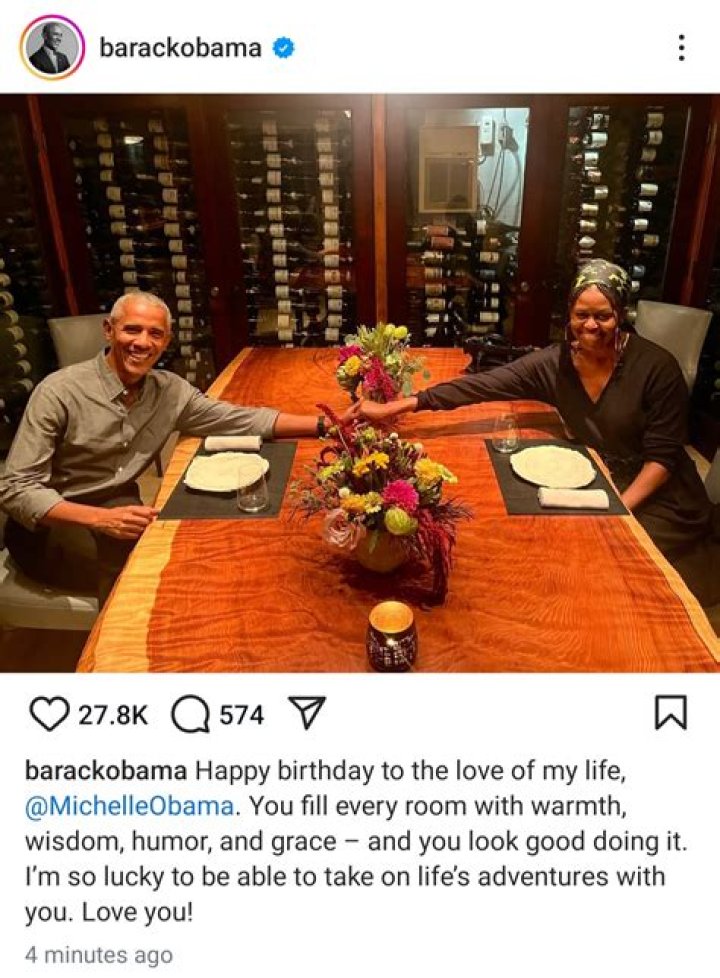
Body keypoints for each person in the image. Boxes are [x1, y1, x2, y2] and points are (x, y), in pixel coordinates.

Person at [358, 259, 720, 608]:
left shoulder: (657, 368)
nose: (591, 325)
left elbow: (662, 460)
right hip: (600, 482)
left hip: (660, 498)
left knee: (604, 569)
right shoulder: (556, 363)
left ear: (621, 315)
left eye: (603, 316)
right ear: (569, 314)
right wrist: (397, 406)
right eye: (582, 314)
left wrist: (617, 512)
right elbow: (483, 385)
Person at [0, 292, 357, 604]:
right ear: (109, 330)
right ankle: (116, 652)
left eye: (155, 333)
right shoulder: (58, 392)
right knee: (141, 575)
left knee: (195, 554)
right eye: (132, 330)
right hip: (51, 524)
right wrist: (100, 519)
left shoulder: (168, 391)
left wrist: (330, 423)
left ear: (167, 340)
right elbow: (15, 489)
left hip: (118, 507)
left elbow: (241, 419)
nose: (142, 342)